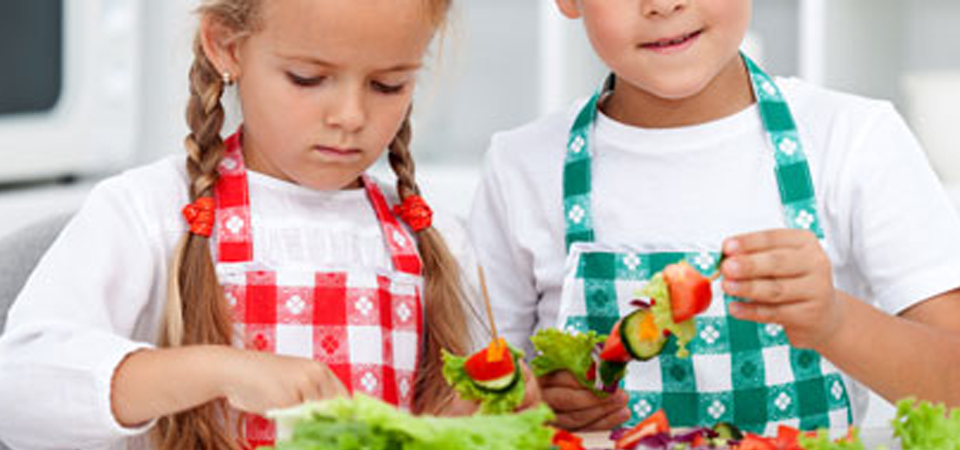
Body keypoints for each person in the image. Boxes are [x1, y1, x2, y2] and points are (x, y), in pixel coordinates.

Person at [0, 1, 539, 449]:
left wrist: (488, 413)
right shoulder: (149, 212)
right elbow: (18, 391)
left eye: (387, 85)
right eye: (308, 78)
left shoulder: (437, 235)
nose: (350, 116)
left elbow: (479, 407)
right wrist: (220, 370)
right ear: (227, 48)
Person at [469, 0, 960, 436]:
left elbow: (952, 389)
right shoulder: (521, 167)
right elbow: (474, 402)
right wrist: (538, 406)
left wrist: (834, 322)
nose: (663, 5)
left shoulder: (854, 140)